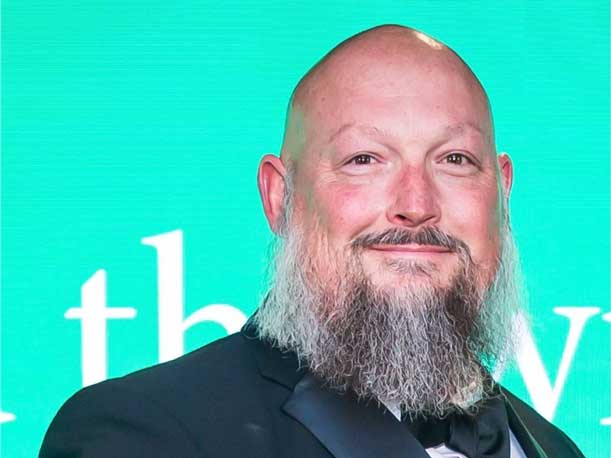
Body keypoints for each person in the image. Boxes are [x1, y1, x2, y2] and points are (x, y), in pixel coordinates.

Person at [40, 24, 585, 458]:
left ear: (502, 193)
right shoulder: (143, 431)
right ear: (280, 197)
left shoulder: (554, 446)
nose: (417, 204)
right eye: (364, 160)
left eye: (455, 159)